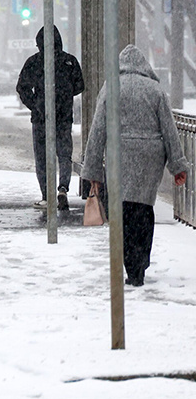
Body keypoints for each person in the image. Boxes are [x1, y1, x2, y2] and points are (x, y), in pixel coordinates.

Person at [81, 44, 188, 287]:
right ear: (144, 66)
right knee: (143, 210)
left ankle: (129, 261)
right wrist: (177, 165)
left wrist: (93, 170)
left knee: (121, 210)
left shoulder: (111, 87)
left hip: (120, 156)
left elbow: (98, 130)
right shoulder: (155, 90)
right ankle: (140, 262)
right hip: (150, 158)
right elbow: (169, 130)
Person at [16, 26, 84, 211]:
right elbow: (80, 85)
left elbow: (22, 87)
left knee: (42, 158)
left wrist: (36, 105)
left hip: (41, 119)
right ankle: (63, 188)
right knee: (64, 155)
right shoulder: (69, 61)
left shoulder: (34, 62)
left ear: (39, 43)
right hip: (64, 118)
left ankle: (47, 196)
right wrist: (65, 96)